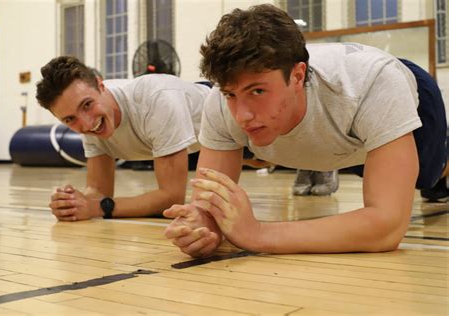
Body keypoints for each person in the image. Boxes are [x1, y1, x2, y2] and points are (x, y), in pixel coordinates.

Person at [163, 4, 448, 257]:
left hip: (406, 88)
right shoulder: (220, 102)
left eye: (257, 90)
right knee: (371, 169)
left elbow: (387, 228)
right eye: (231, 94)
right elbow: (210, 206)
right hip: (345, 129)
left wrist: (259, 233)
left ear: (298, 76)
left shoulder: (375, 84)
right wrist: (202, 225)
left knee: (427, 177)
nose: (242, 115)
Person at [36, 56, 210, 221]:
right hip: (193, 143)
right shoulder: (91, 121)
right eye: (69, 119)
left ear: (100, 85)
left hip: (225, 118)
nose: (87, 124)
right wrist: (73, 204)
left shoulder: (157, 99)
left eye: (87, 105)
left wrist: (100, 207)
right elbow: (98, 191)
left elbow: (172, 198)